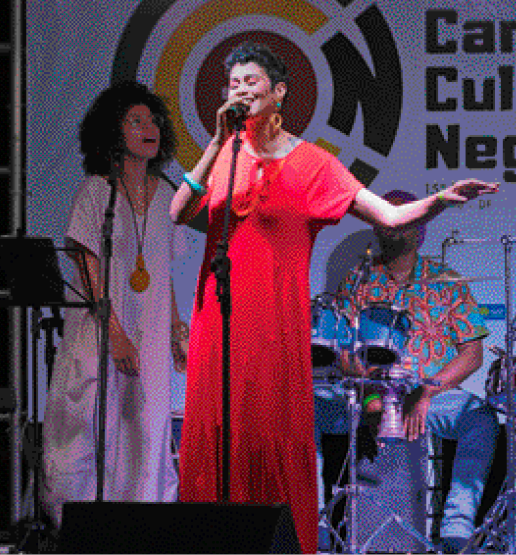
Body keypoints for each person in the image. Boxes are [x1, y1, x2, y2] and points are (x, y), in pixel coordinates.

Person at [169, 42, 498, 554]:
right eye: (233, 84)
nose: (241, 91)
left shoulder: (314, 165)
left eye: (252, 82)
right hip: (220, 320)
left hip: (275, 324)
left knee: (273, 439)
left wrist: (438, 201)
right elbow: (179, 212)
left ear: (278, 93)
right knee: (218, 436)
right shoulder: (223, 156)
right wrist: (213, 144)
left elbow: (388, 217)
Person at [42, 81, 192, 528]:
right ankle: (83, 529)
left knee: (147, 435)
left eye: (153, 121)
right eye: (136, 120)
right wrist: (117, 336)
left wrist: (175, 331)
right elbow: (89, 273)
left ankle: (142, 532)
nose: (149, 128)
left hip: (149, 338)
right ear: (114, 131)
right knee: (91, 428)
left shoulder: (167, 194)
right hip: (101, 333)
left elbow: (162, 273)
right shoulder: (96, 192)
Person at [315, 189, 499, 554]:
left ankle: (456, 529)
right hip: (367, 392)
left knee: (481, 418)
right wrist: (367, 388)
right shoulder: (358, 280)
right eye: (387, 221)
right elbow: (340, 348)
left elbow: (472, 355)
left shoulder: (447, 280)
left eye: (404, 222)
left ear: (420, 229)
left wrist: (427, 393)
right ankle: (315, 519)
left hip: (427, 396)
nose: (394, 230)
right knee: (307, 408)